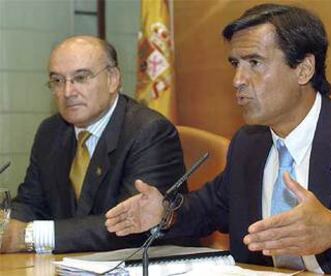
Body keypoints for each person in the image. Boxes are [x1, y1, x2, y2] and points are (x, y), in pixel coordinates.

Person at [105, 3, 331, 275]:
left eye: (254, 63)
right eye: (235, 64)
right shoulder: (249, 143)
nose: (238, 80)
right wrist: (165, 213)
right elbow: (210, 209)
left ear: (304, 69)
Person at [1, 36, 191, 254]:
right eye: (57, 81)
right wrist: (5, 227)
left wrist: (28, 236)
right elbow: (30, 203)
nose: (67, 92)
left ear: (112, 79)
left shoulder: (149, 132)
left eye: (80, 78)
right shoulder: (51, 132)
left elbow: (130, 224)